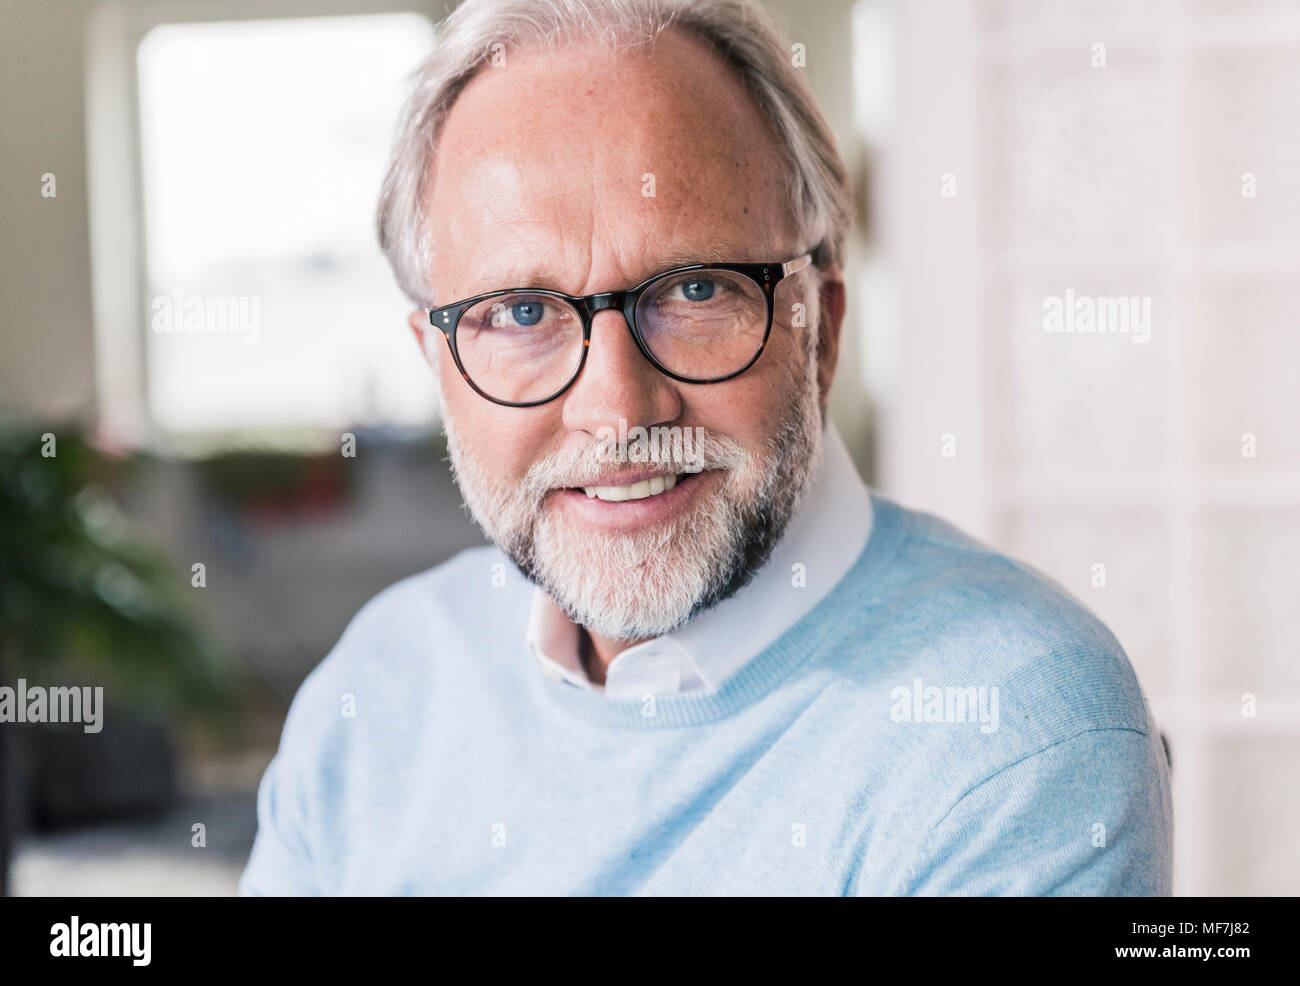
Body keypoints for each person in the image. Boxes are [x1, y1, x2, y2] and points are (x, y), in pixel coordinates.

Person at [240, 0, 1172, 896]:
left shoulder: (1014, 723)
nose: (616, 408)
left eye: (692, 293)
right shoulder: (378, 688)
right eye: (520, 313)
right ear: (435, 364)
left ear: (822, 328)